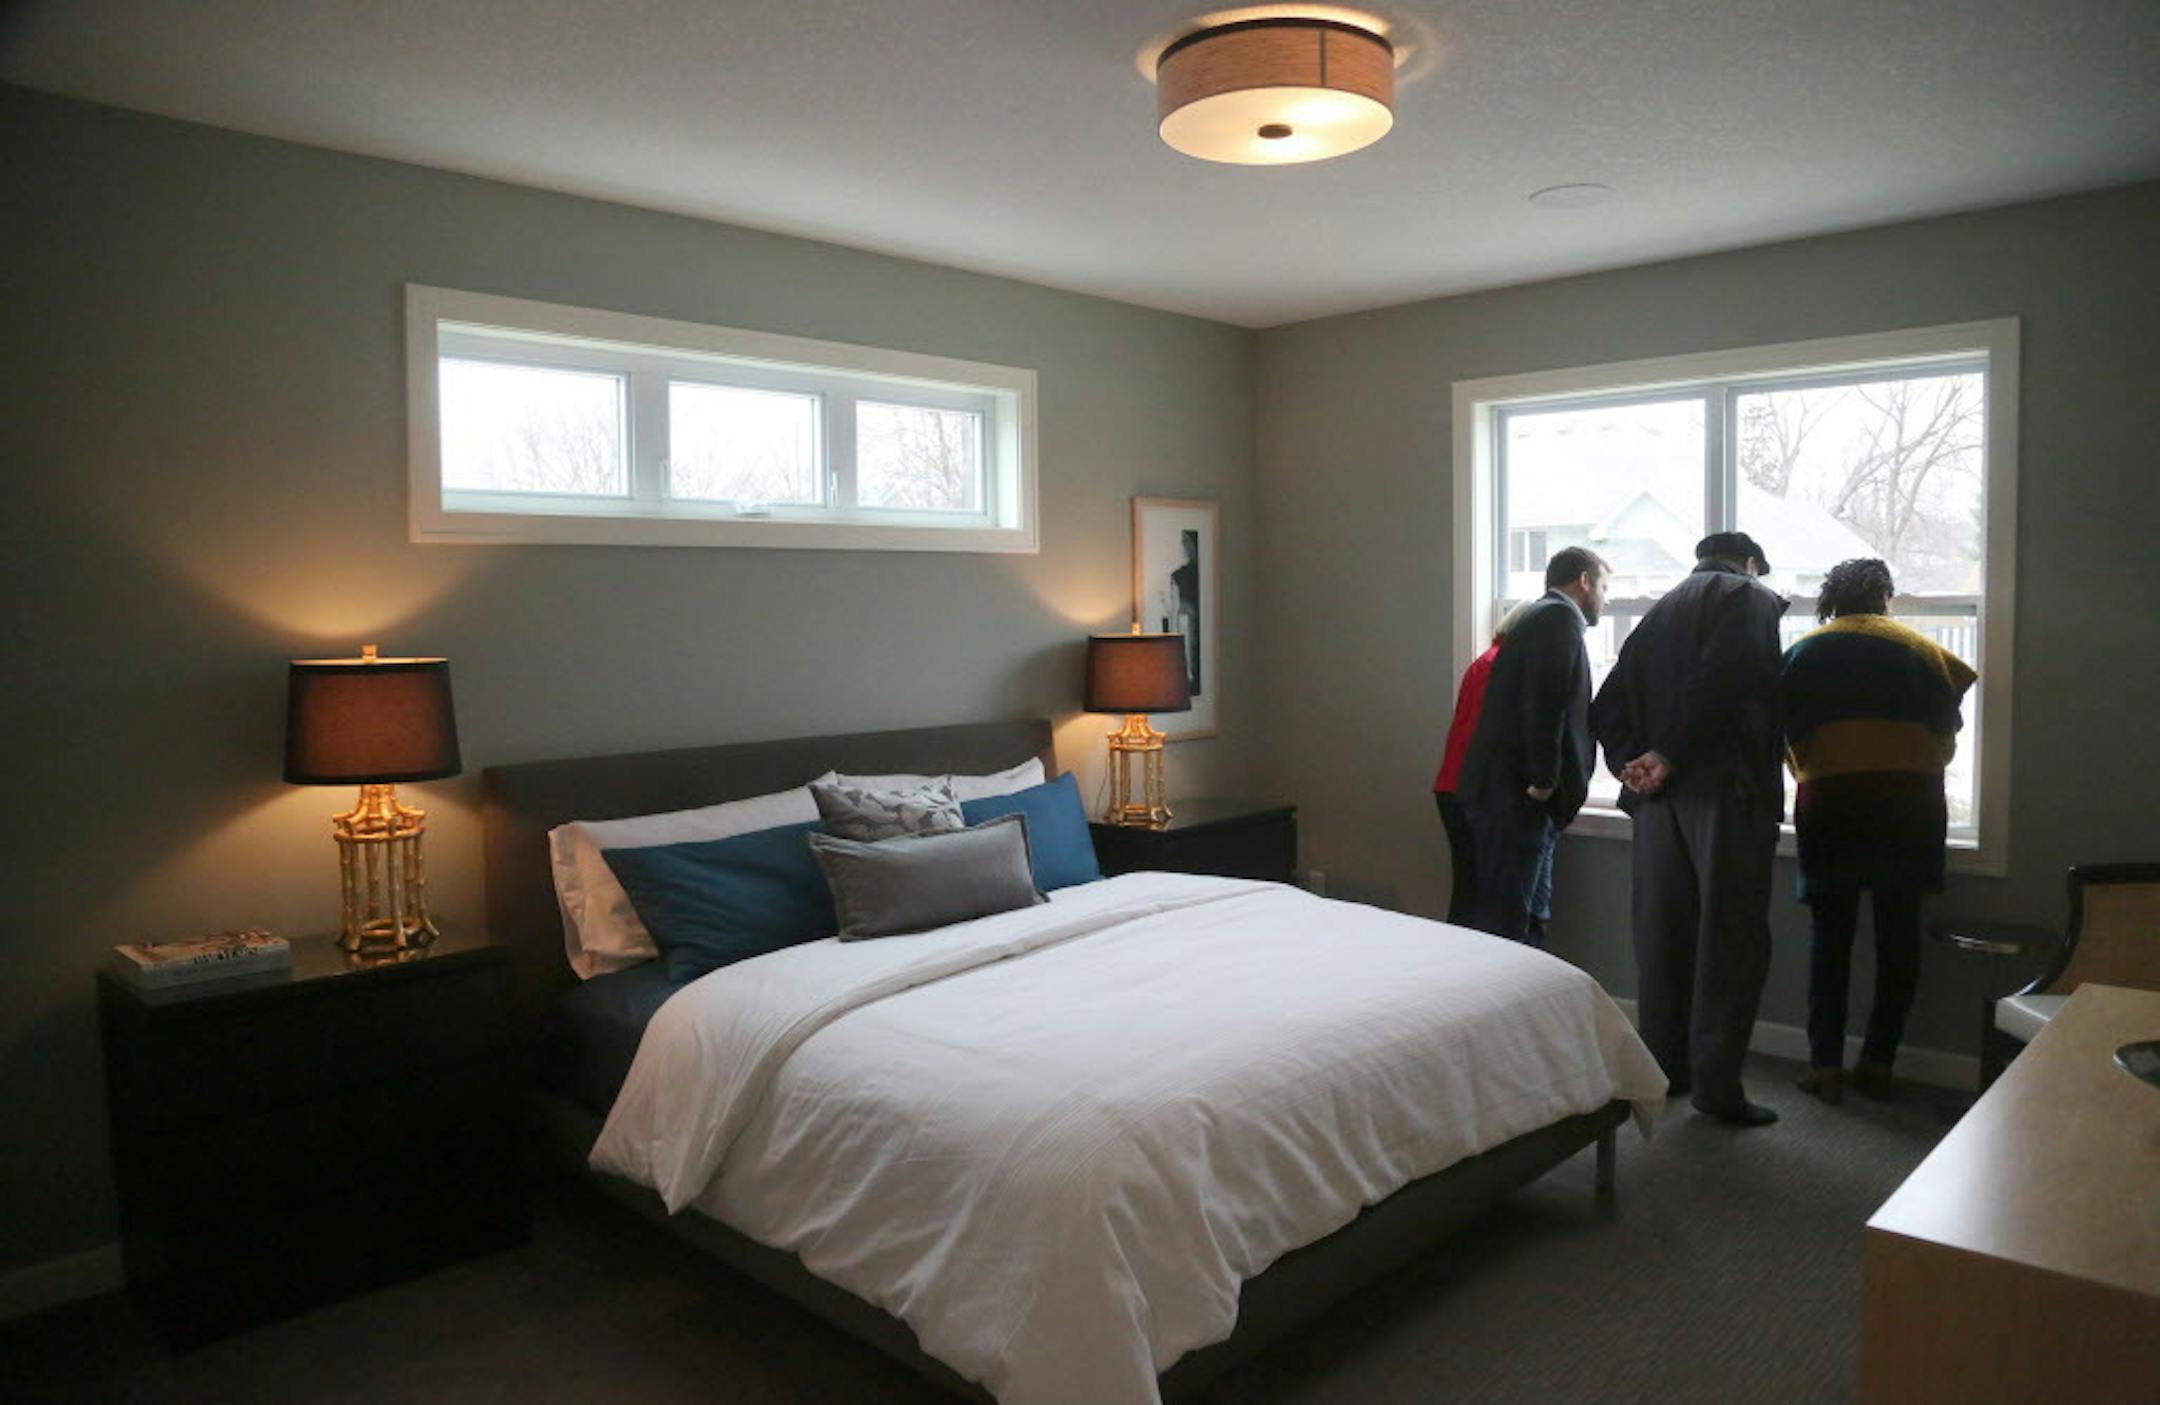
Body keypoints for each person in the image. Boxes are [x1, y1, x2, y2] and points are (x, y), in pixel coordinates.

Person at [1590, 531, 1788, 1126]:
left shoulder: (1659, 612)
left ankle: (1666, 1068)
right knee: (1729, 937)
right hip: (1724, 794)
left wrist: (1636, 762)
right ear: (1752, 563)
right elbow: (1726, 682)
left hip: (1657, 805)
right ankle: (1718, 1086)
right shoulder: (1748, 598)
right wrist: (1668, 755)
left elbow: (1605, 705)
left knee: (1663, 936)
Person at [1780, 558, 1976, 1104]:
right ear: (1885, 597)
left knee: (1830, 939)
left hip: (1831, 804)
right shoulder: (1920, 651)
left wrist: (1810, 769)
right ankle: (1879, 1061)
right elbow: (1948, 728)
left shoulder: (1803, 653)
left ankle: (1824, 1066)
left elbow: (1784, 730)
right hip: (1908, 805)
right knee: (1898, 936)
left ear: (1831, 600)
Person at [1457, 547, 1610, 946]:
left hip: (1511, 795)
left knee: (1526, 917)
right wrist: (1543, 781)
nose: (1605, 600)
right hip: (1518, 799)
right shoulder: (1558, 622)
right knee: (1511, 921)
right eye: (1604, 587)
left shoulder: (1538, 619)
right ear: (1583, 581)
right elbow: (1544, 703)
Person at [1432, 601, 1532, 924]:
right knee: (1489, 895)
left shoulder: (1483, 662)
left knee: (1468, 887)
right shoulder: (1504, 666)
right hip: (1476, 789)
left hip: (1452, 783)